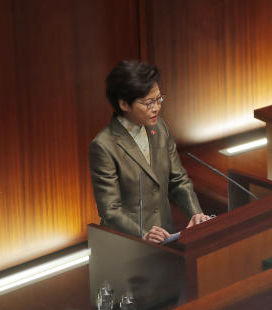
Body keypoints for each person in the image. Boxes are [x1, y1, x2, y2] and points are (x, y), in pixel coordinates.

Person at [89, 60, 212, 243]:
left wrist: (196, 214)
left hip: (165, 234)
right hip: (128, 243)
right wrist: (143, 234)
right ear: (124, 104)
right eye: (148, 103)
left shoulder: (159, 127)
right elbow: (110, 209)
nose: (156, 107)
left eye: (159, 99)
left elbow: (178, 180)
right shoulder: (104, 145)